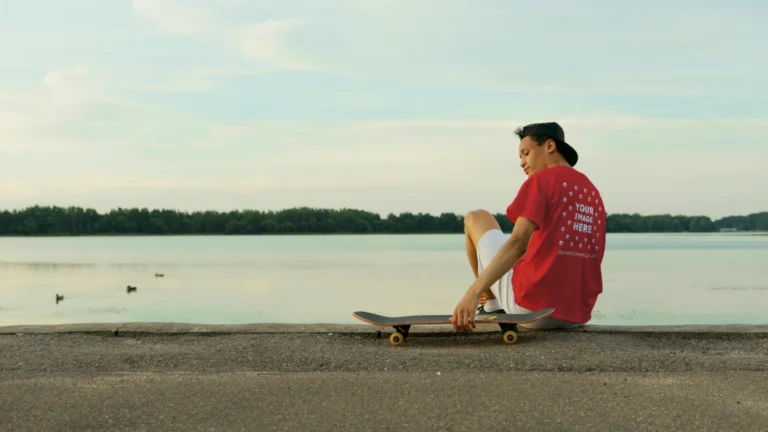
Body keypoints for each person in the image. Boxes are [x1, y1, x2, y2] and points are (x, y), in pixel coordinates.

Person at [450, 122, 607, 332]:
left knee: (476, 218)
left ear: (549, 146)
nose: (522, 162)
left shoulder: (542, 180)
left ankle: (490, 305)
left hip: (531, 310)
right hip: (577, 314)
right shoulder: (592, 191)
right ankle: (493, 303)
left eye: (526, 153)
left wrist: (472, 293)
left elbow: (518, 244)